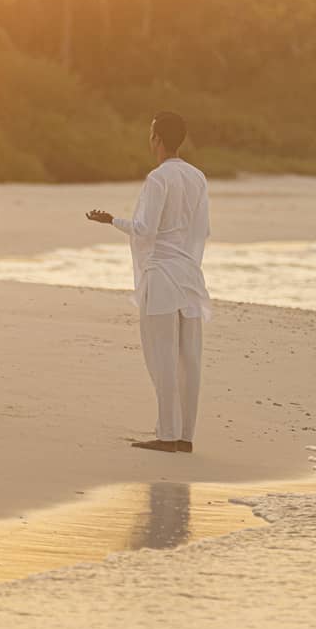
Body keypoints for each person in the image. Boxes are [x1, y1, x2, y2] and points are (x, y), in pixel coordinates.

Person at [87, 112, 211, 452]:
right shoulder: (197, 177)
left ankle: (167, 435)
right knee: (190, 358)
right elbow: (201, 230)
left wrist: (112, 220)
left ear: (157, 139)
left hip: (162, 276)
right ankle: (185, 436)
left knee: (163, 356)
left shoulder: (158, 179)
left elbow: (145, 230)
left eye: (151, 132)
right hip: (189, 276)